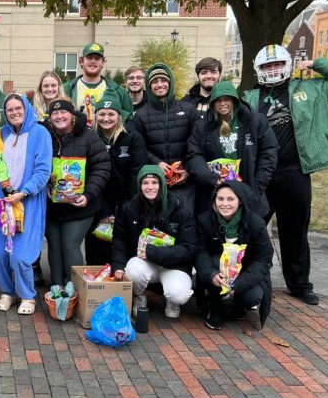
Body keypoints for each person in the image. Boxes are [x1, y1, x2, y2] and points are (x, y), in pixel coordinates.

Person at [243, 45, 328, 305]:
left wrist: (316, 63)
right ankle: (250, 279)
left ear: (287, 65)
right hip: (262, 175)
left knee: (295, 231)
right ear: (259, 69)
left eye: (277, 64)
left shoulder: (311, 89)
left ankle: (299, 284)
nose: (272, 70)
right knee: (250, 227)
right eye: (267, 66)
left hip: (294, 172)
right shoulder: (249, 98)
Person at [0, 94, 51, 315]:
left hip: (27, 200)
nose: (14, 112)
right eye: (9, 109)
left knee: (21, 254)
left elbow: (43, 169)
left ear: (26, 108)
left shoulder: (40, 133)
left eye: (18, 108)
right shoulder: (1, 133)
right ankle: (7, 292)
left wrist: (23, 192)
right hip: (0, 200)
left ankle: (27, 295)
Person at [111, 166, 195, 319]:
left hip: (173, 265)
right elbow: (119, 240)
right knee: (132, 270)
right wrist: (118, 265)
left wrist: (152, 252)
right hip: (145, 263)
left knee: (179, 294)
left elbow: (188, 249)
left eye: (155, 182)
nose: (150, 187)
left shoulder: (180, 209)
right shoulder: (129, 208)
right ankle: (139, 296)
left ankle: (172, 300)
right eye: (145, 183)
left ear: (162, 184)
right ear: (139, 186)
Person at [43, 100, 110, 287]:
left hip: (79, 205)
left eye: (63, 112)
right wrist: (45, 183)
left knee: (70, 245)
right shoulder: (46, 137)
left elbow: (103, 167)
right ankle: (57, 289)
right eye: (54, 114)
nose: (59, 116)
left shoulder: (88, 136)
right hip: (52, 205)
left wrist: (88, 194)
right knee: (54, 245)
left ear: (72, 116)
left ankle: (74, 291)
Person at [187, 80, 277, 217]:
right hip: (215, 193)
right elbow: (194, 155)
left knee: (250, 229)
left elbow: (269, 153)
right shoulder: (201, 126)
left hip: (249, 191)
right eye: (218, 100)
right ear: (212, 103)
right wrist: (211, 178)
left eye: (227, 99)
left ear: (235, 100)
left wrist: (257, 186)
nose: (222, 103)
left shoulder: (255, 121)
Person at [196, 181, 274, 330]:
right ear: (214, 200)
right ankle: (215, 307)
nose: (225, 204)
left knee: (253, 297)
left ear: (240, 201)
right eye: (220, 199)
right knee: (213, 263)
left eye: (230, 199)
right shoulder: (205, 220)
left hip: (245, 271)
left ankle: (239, 305)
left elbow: (263, 260)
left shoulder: (255, 224)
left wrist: (239, 284)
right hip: (217, 269)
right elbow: (200, 252)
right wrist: (211, 274)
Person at [84, 97, 147, 265]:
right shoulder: (90, 138)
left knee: (125, 248)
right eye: (102, 114)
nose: (106, 118)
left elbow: (136, 174)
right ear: (95, 116)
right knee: (97, 250)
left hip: (127, 201)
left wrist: (124, 209)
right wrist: (104, 211)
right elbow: (89, 176)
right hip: (98, 202)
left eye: (111, 114)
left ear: (119, 115)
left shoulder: (132, 137)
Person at [132, 63, 197, 212]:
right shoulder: (141, 115)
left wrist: (187, 167)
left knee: (184, 217)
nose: (159, 84)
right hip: (155, 181)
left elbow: (196, 143)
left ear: (170, 82)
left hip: (184, 181)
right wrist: (157, 163)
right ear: (149, 86)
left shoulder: (188, 110)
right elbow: (139, 148)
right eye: (155, 81)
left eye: (163, 80)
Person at [62, 43, 132, 125]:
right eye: (89, 58)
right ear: (81, 61)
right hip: (77, 132)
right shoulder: (66, 89)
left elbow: (129, 118)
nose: (93, 61)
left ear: (103, 62)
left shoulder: (118, 91)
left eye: (97, 58)